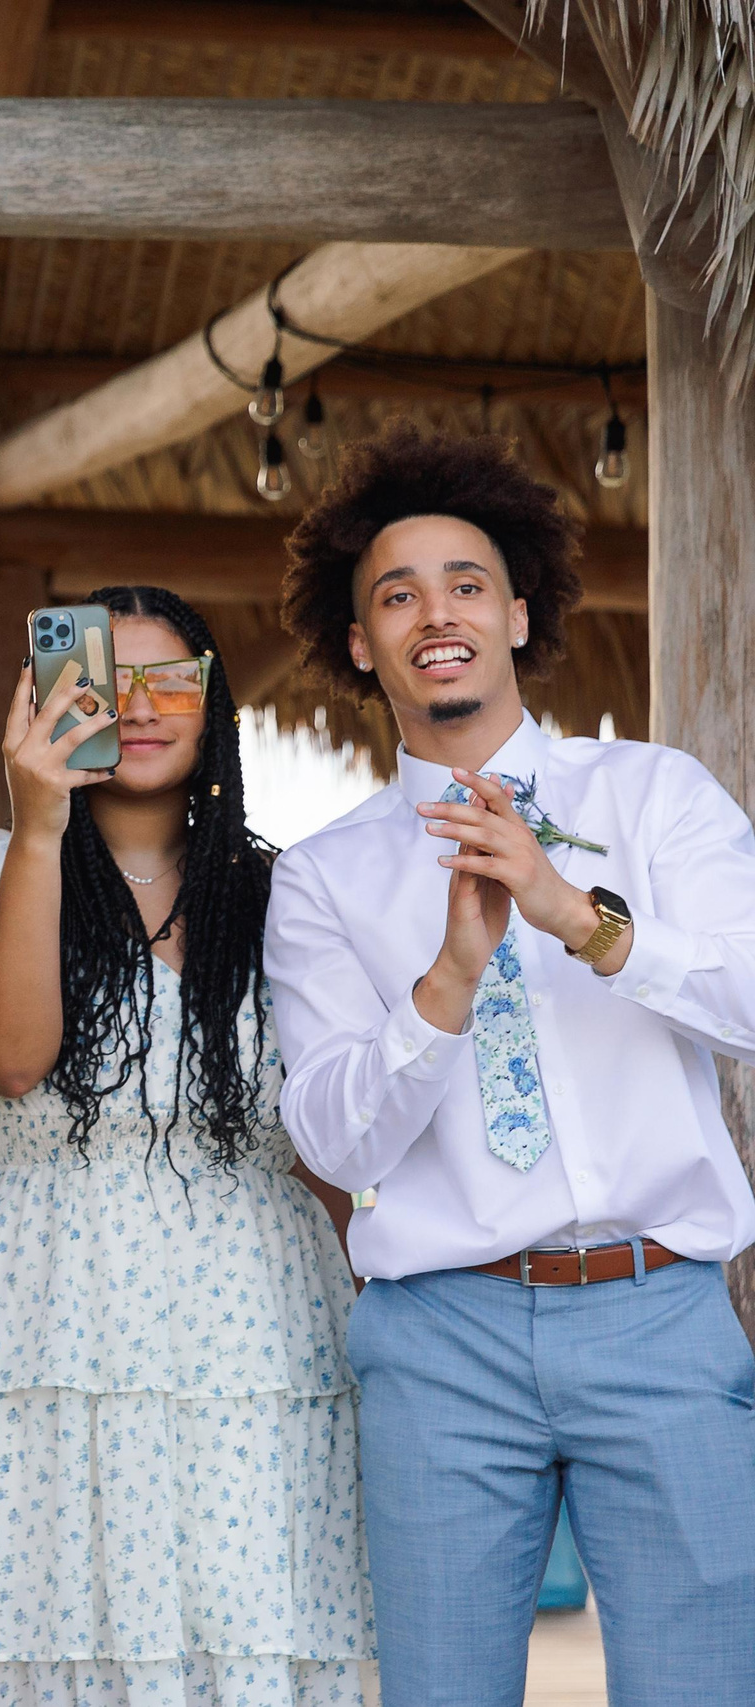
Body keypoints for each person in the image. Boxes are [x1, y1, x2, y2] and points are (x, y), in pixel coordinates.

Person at [264, 423, 755, 1702]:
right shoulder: (320, 878)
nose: (437, 611)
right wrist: (442, 985)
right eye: (397, 593)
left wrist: (577, 916)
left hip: (662, 1311)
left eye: (465, 582)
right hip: (439, 1336)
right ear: (360, 642)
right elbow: (331, 1139)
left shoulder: (655, 799)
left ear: (518, 611)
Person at [0, 587, 375, 1704]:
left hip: (253, 1333)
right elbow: (12, 1056)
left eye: (169, 681)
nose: (136, 707)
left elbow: (322, 1137)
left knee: (245, 1635)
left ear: (213, 702)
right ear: (42, 704)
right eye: (101, 682)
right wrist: (40, 822)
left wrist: (373, 1310)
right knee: (32, 1635)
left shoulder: (285, 896)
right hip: (36, 1323)